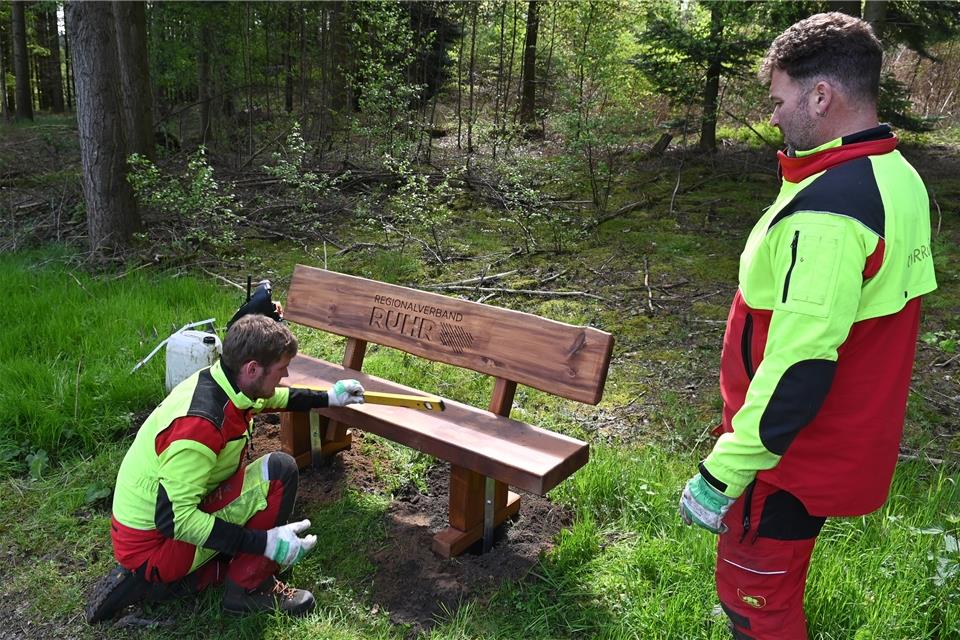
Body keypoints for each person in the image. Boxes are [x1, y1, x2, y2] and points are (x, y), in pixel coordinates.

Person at [679, 12, 937, 640]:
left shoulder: (828, 212)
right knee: (773, 590)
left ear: (821, 95)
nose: (772, 115)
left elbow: (799, 364)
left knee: (756, 603)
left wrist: (724, 472)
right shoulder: (892, 176)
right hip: (843, 440)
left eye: (779, 98)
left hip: (787, 460)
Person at [85, 314, 365, 623]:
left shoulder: (223, 382)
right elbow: (176, 522)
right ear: (252, 369)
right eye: (281, 370)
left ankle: (184, 579)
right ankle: (248, 588)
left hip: (146, 530)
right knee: (278, 473)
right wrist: (265, 542)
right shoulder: (200, 428)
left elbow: (270, 398)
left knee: (252, 496)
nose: (285, 377)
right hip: (156, 544)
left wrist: (329, 397)